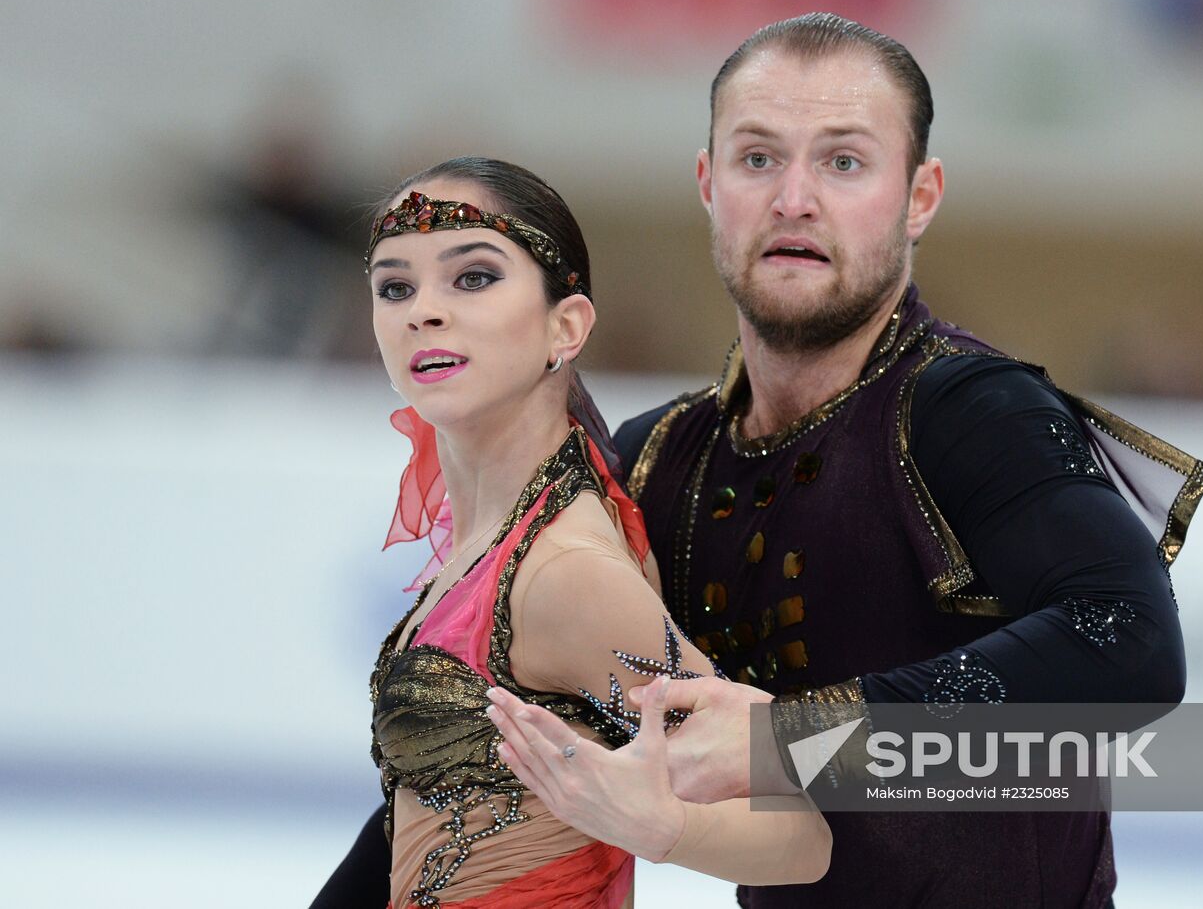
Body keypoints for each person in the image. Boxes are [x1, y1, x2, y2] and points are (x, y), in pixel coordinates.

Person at [320, 13, 1203, 909]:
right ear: (708, 183)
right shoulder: (659, 459)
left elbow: (1128, 643)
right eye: (757, 158)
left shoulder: (970, 411)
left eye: (844, 161)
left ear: (921, 195)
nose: (795, 198)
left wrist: (795, 732)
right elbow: (455, 770)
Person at [332, 156, 830, 909]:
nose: (422, 311)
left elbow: (805, 828)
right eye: (395, 285)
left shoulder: (563, 572)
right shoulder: (492, 539)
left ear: (565, 325)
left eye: (472, 277)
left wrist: (665, 825)